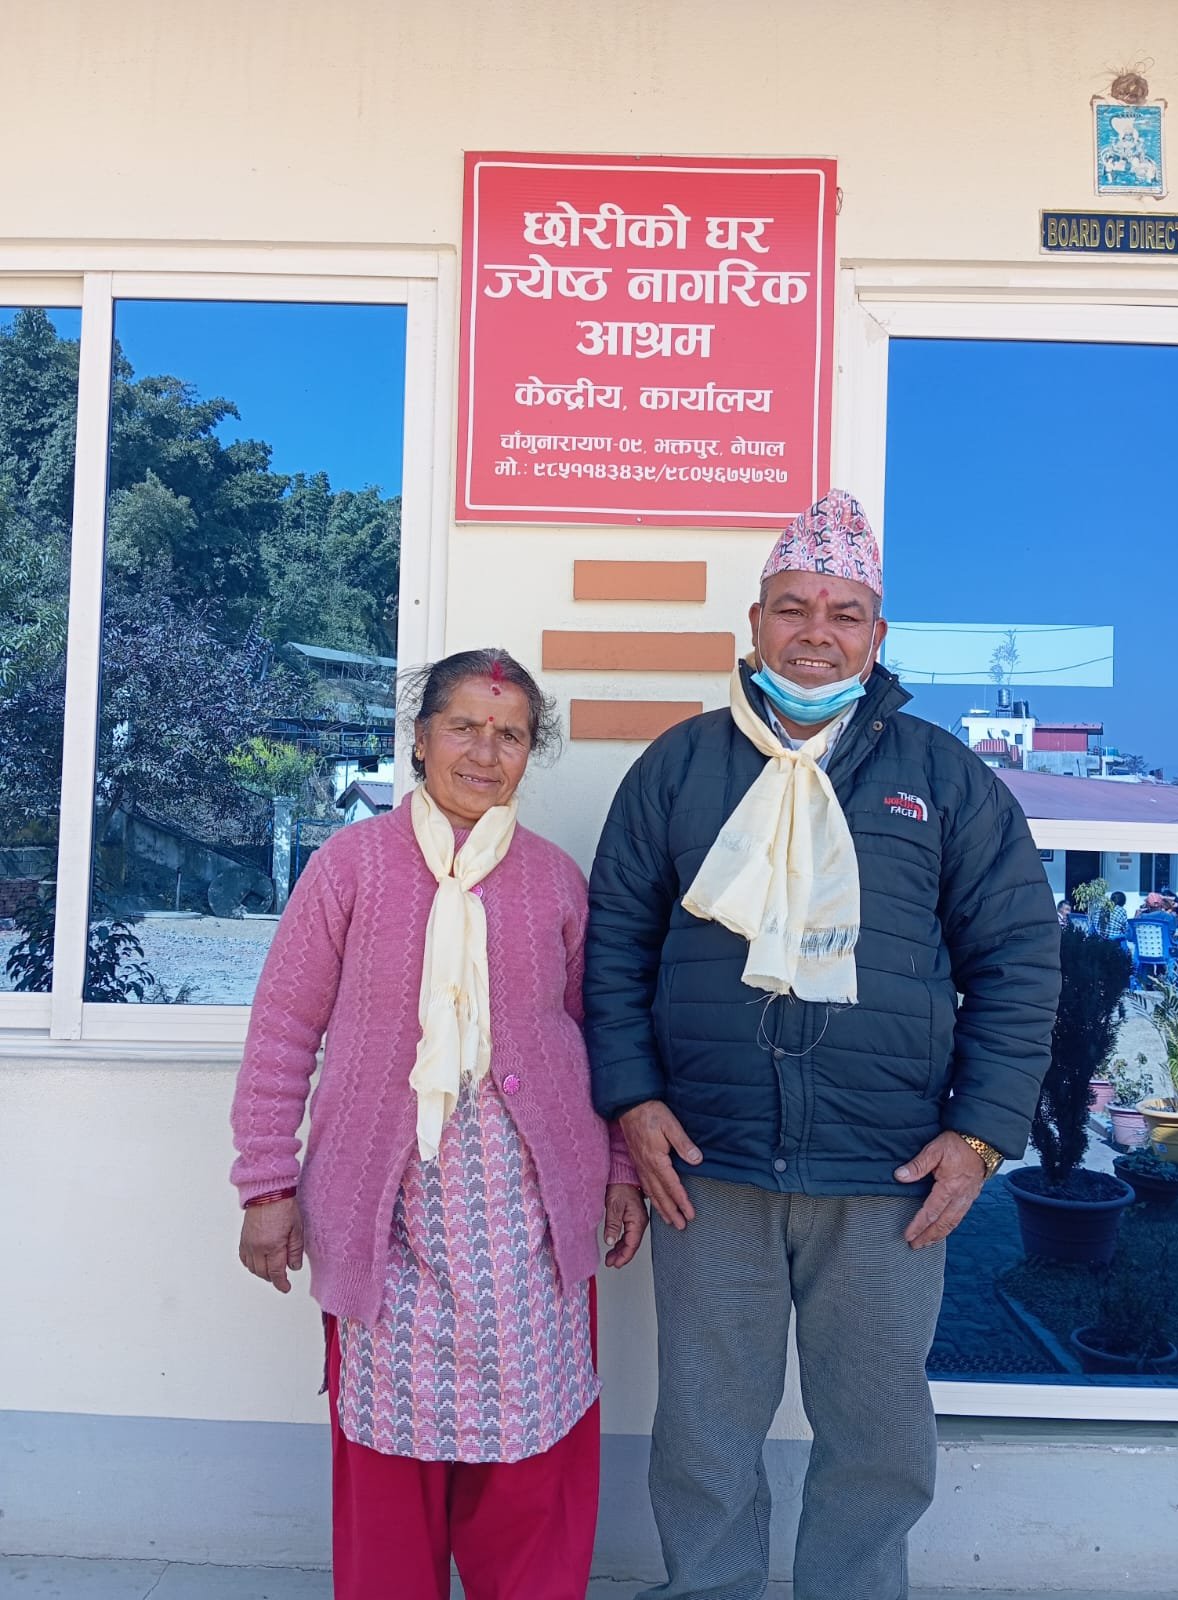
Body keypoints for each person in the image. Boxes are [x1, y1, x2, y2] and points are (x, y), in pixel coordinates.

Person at [584, 491, 1061, 1600]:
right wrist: (632, 1103)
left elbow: (1017, 963)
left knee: (877, 1435)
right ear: (754, 624)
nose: (816, 632)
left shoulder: (943, 779)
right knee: (704, 1430)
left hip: (888, 1172)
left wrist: (980, 1136)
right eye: (793, 607)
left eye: (844, 613)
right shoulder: (679, 767)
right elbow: (611, 951)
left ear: (876, 635)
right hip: (708, 1164)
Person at [231, 648, 646, 1600]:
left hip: (529, 1225)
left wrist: (621, 1168)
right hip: (391, 1218)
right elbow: (284, 1029)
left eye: (510, 735)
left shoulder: (554, 881)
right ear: (420, 740)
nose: (485, 753)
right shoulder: (351, 868)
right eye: (464, 727)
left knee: (531, 1460)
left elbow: (603, 1035)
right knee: (390, 1467)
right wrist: (266, 1185)